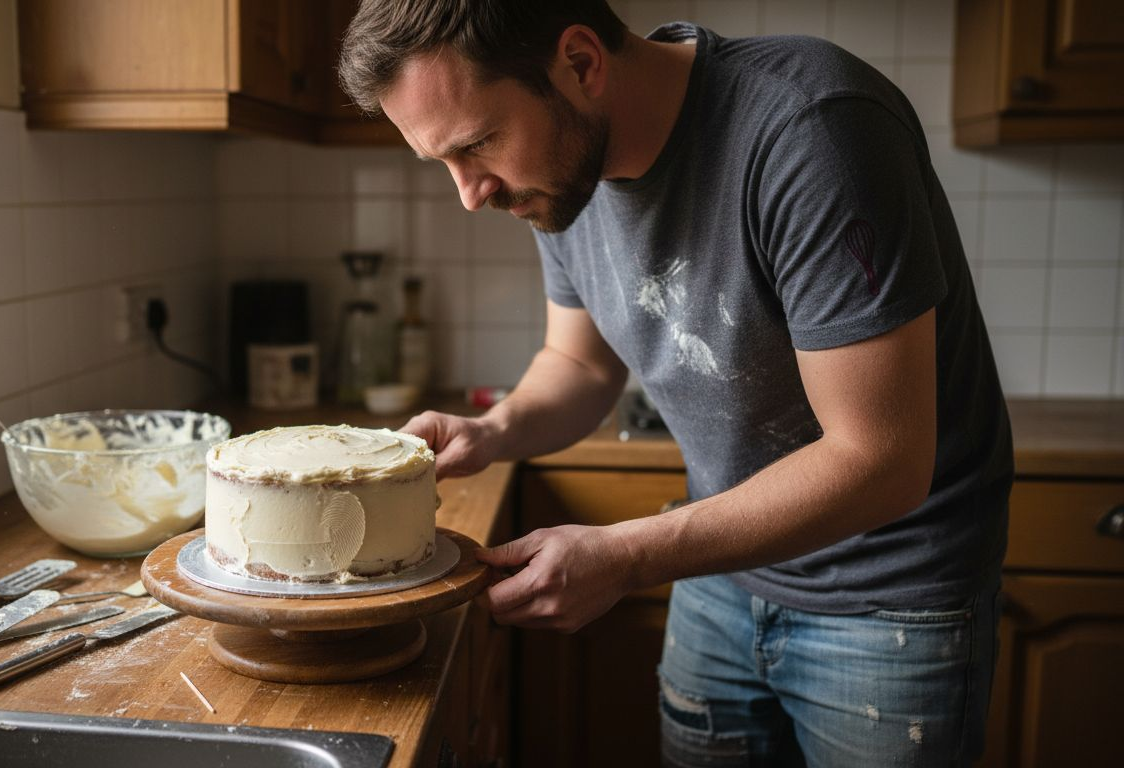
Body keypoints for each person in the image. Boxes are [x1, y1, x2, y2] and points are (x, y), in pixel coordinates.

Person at [339, 1, 1012, 765]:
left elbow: (881, 460)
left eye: (479, 144)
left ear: (582, 63)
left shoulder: (813, 129)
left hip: (888, 602)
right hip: (718, 568)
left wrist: (628, 556)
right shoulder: (562, 174)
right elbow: (580, 366)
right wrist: (495, 432)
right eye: (444, 163)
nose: (470, 193)